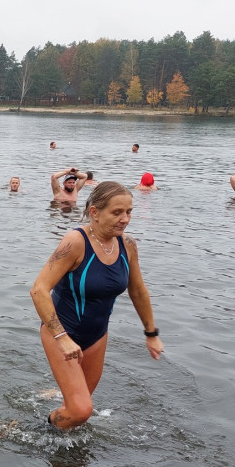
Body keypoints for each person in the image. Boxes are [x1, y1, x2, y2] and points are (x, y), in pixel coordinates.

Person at [29, 181, 163, 431]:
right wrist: (62, 337)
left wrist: (151, 334)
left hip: (96, 337)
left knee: (78, 413)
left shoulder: (128, 245)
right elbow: (39, 290)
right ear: (95, 213)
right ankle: (35, 428)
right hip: (61, 332)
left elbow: (138, 291)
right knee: (81, 411)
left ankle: (59, 442)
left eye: (129, 212)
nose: (125, 219)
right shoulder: (75, 242)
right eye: (117, 212)